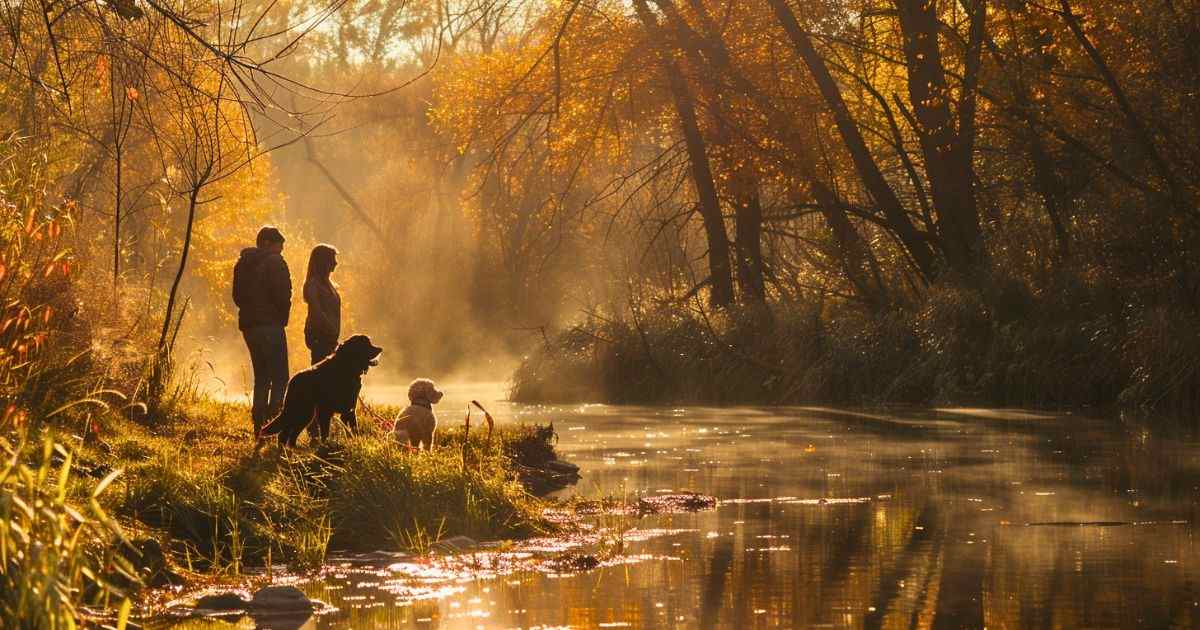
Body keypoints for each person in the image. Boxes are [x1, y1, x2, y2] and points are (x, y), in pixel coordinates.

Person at [232, 226, 292, 435]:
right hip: (271, 325)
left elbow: (237, 297)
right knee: (280, 376)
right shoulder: (275, 262)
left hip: (250, 327)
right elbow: (283, 295)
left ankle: (258, 426)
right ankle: (275, 423)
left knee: (262, 376)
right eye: (279, 245)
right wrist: (282, 317)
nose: (281, 250)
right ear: (268, 243)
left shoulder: (242, 263)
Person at [303, 244, 341, 364]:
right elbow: (316, 311)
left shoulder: (331, 285)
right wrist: (329, 328)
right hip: (319, 336)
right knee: (321, 371)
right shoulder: (313, 284)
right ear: (323, 262)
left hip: (330, 337)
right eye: (332, 259)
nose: (336, 263)